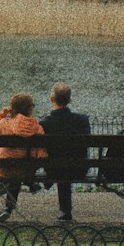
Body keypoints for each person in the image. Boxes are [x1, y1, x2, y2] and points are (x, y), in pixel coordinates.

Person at [0, 91, 46, 222]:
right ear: (30, 108)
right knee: (19, 172)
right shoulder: (36, 126)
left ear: (13, 108)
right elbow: (41, 149)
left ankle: (8, 208)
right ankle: (11, 205)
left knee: (13, 173)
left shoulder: (6, 123)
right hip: (27, 170)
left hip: (4, 168)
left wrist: (2, 113)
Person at [41, 82, 92, 224]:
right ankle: (65, 211)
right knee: (66, 162)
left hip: (54, 170)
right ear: (70, 100)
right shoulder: (82, 120)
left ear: (52, 99)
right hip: (79, 169)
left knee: (60, 164)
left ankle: (64, 210)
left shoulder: (45, 123)